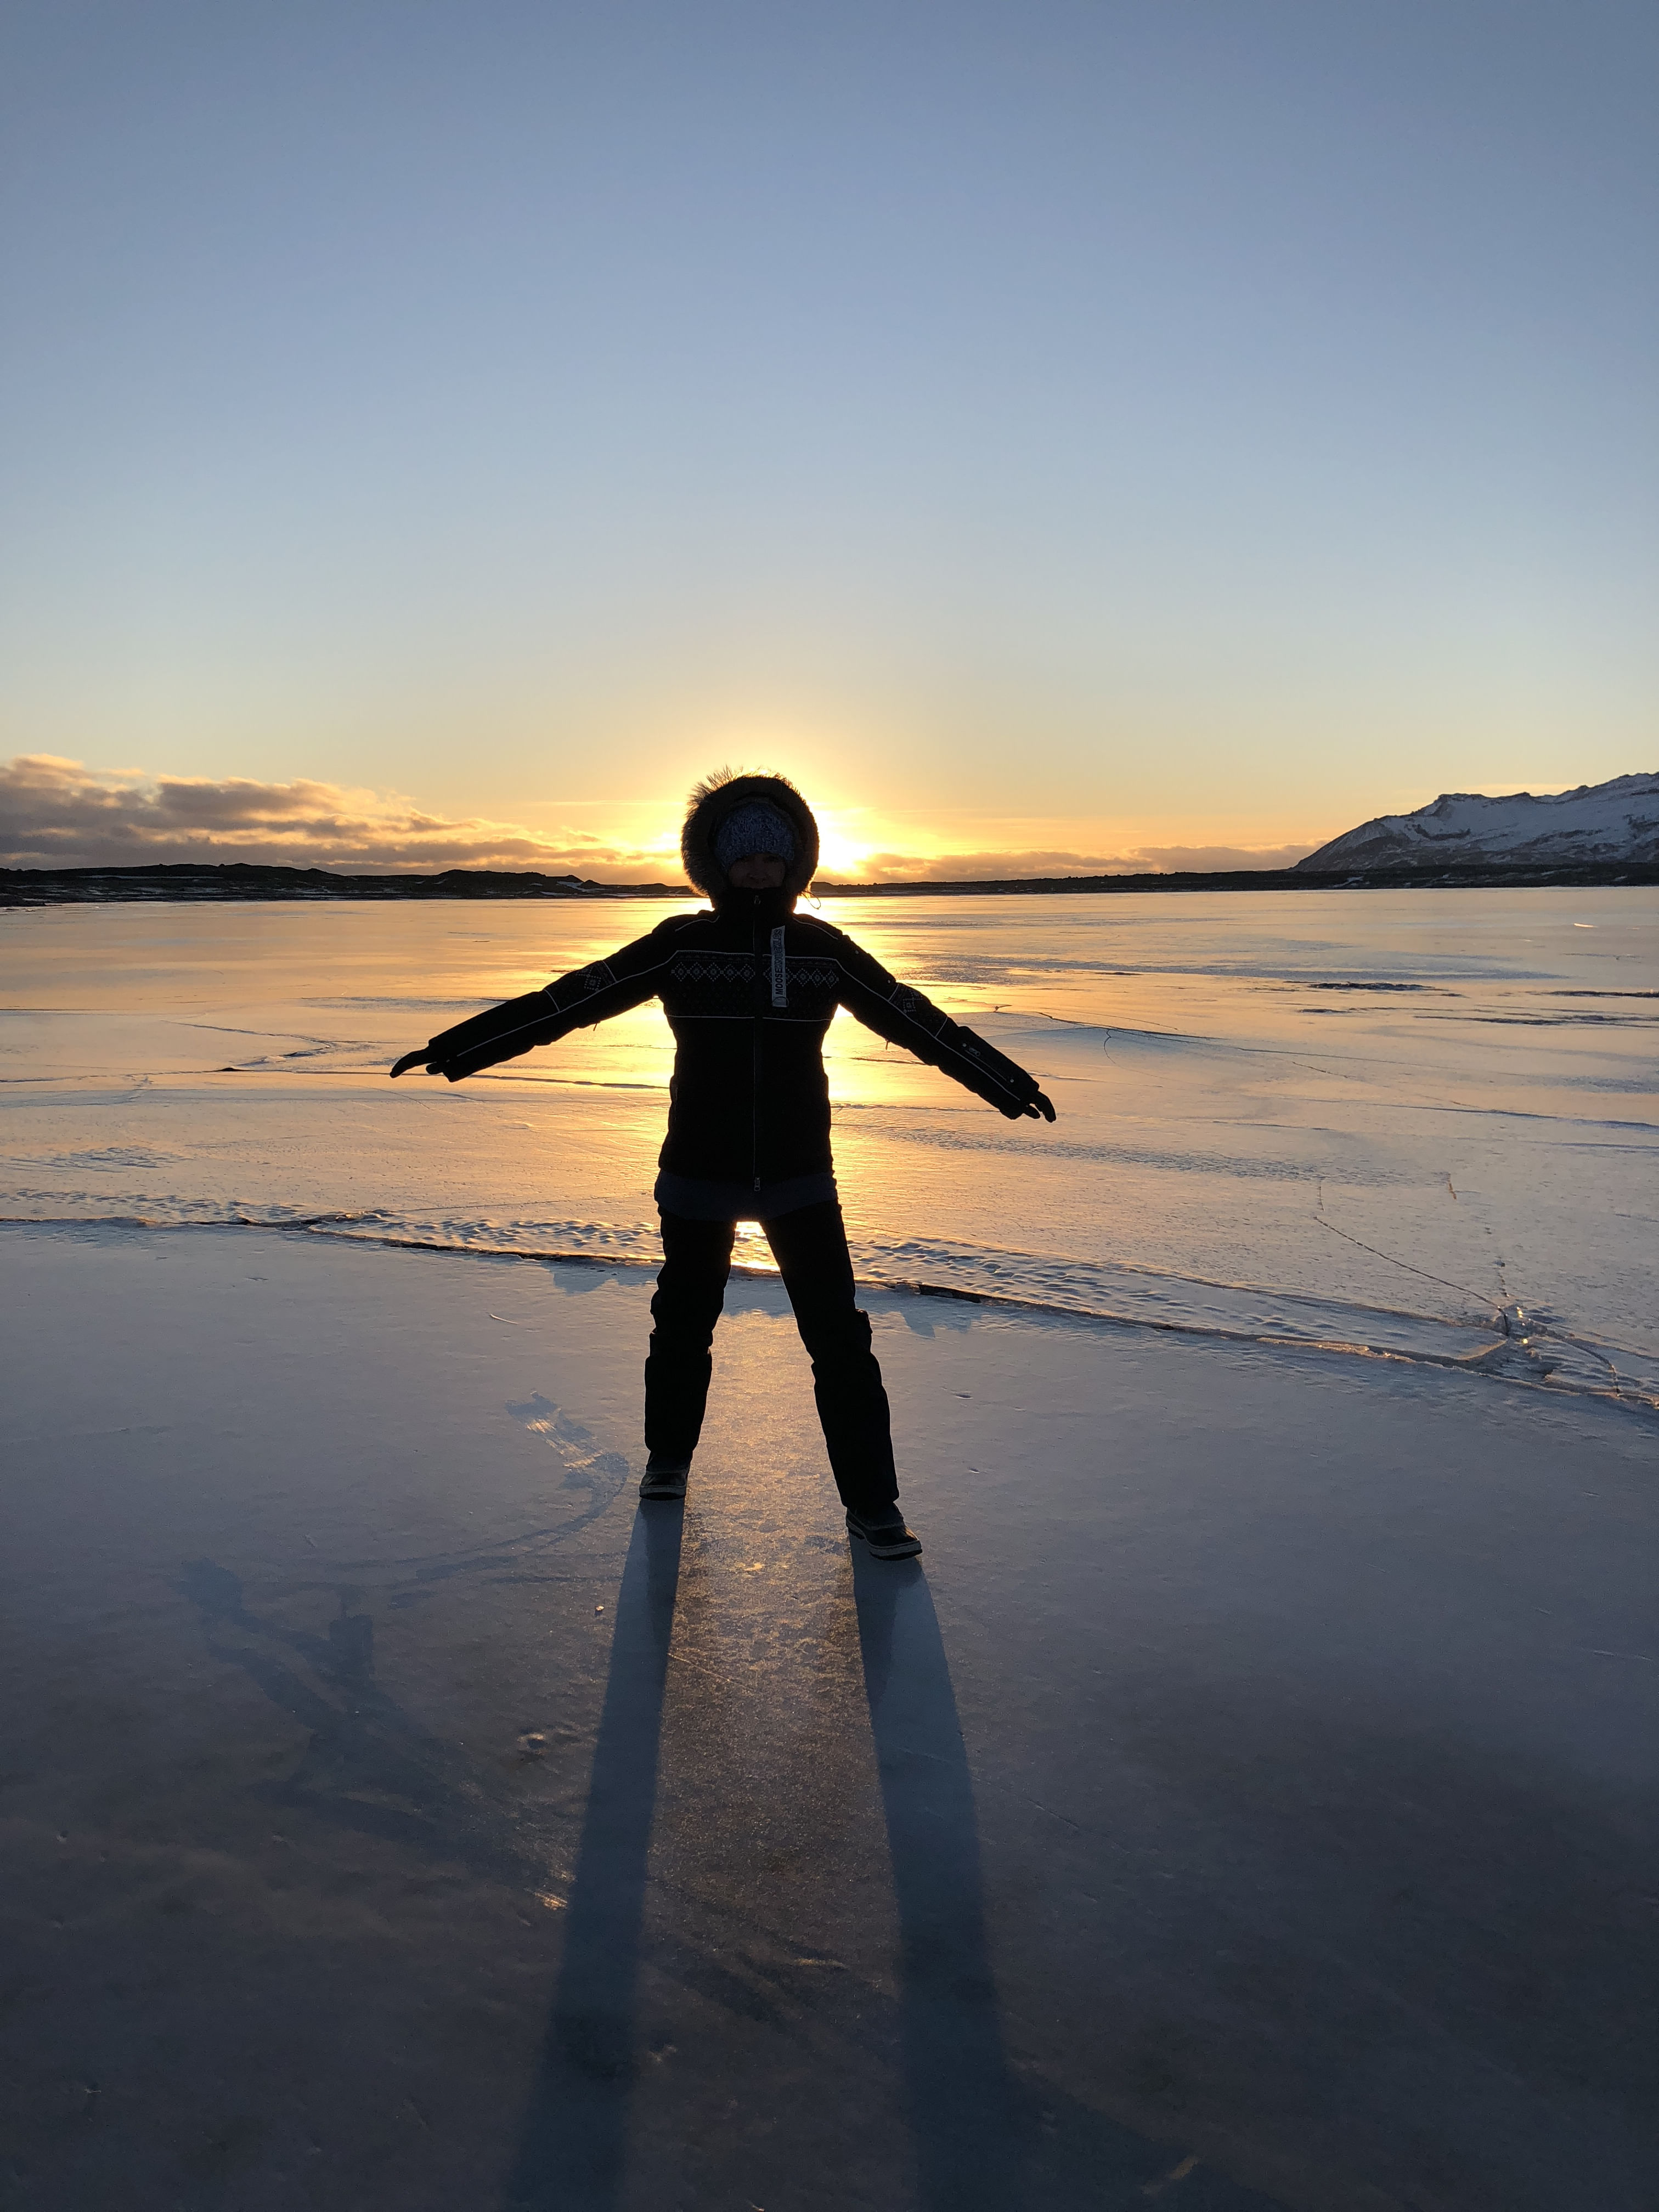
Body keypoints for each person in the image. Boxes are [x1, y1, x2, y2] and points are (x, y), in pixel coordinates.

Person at [392, 770, 1056, 1559]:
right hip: (698, 1173)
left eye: (774, 858)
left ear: (796, 863)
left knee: (840, 1342)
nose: (760, 872)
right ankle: (668, 1461)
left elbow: (914, 1018)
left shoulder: (821, 951)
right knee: (682, 1325)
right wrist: (460, 1048)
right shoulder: (681, 945)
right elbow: (571, 999)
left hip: (800, 1176)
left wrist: (1007, 1083)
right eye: (744, 859)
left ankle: (875, 1506)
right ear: (716, 865)